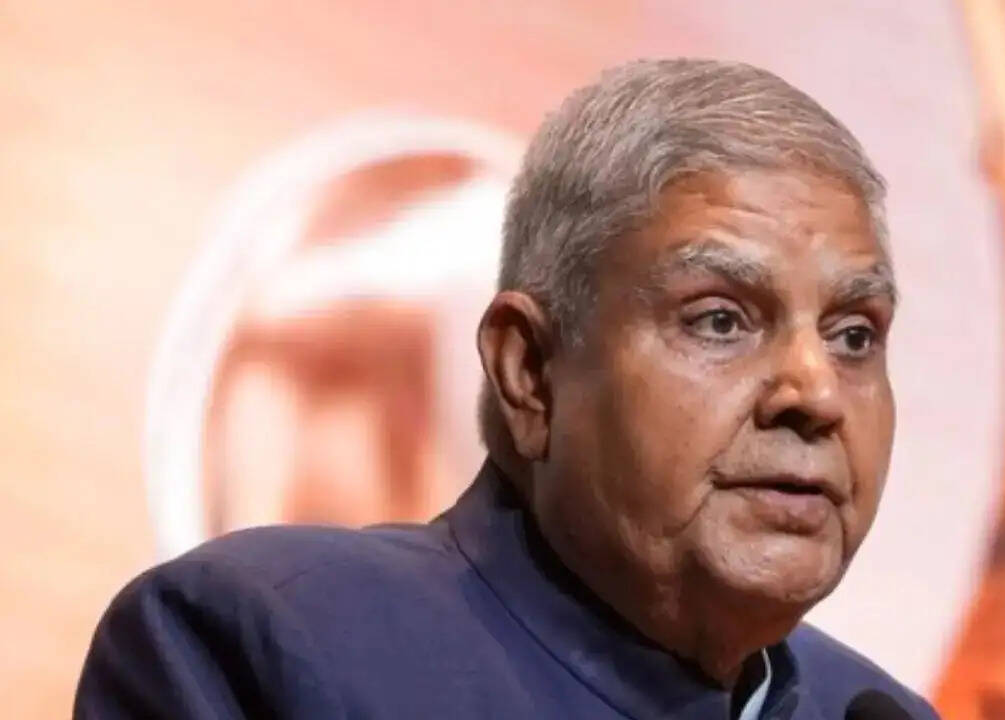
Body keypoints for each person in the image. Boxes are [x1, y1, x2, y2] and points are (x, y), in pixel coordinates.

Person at [75, 58, 939, 720]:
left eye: (854, 335)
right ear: (530, 372)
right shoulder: (263, 644)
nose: (816, 393)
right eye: (719, 320)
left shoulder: (876, 714)